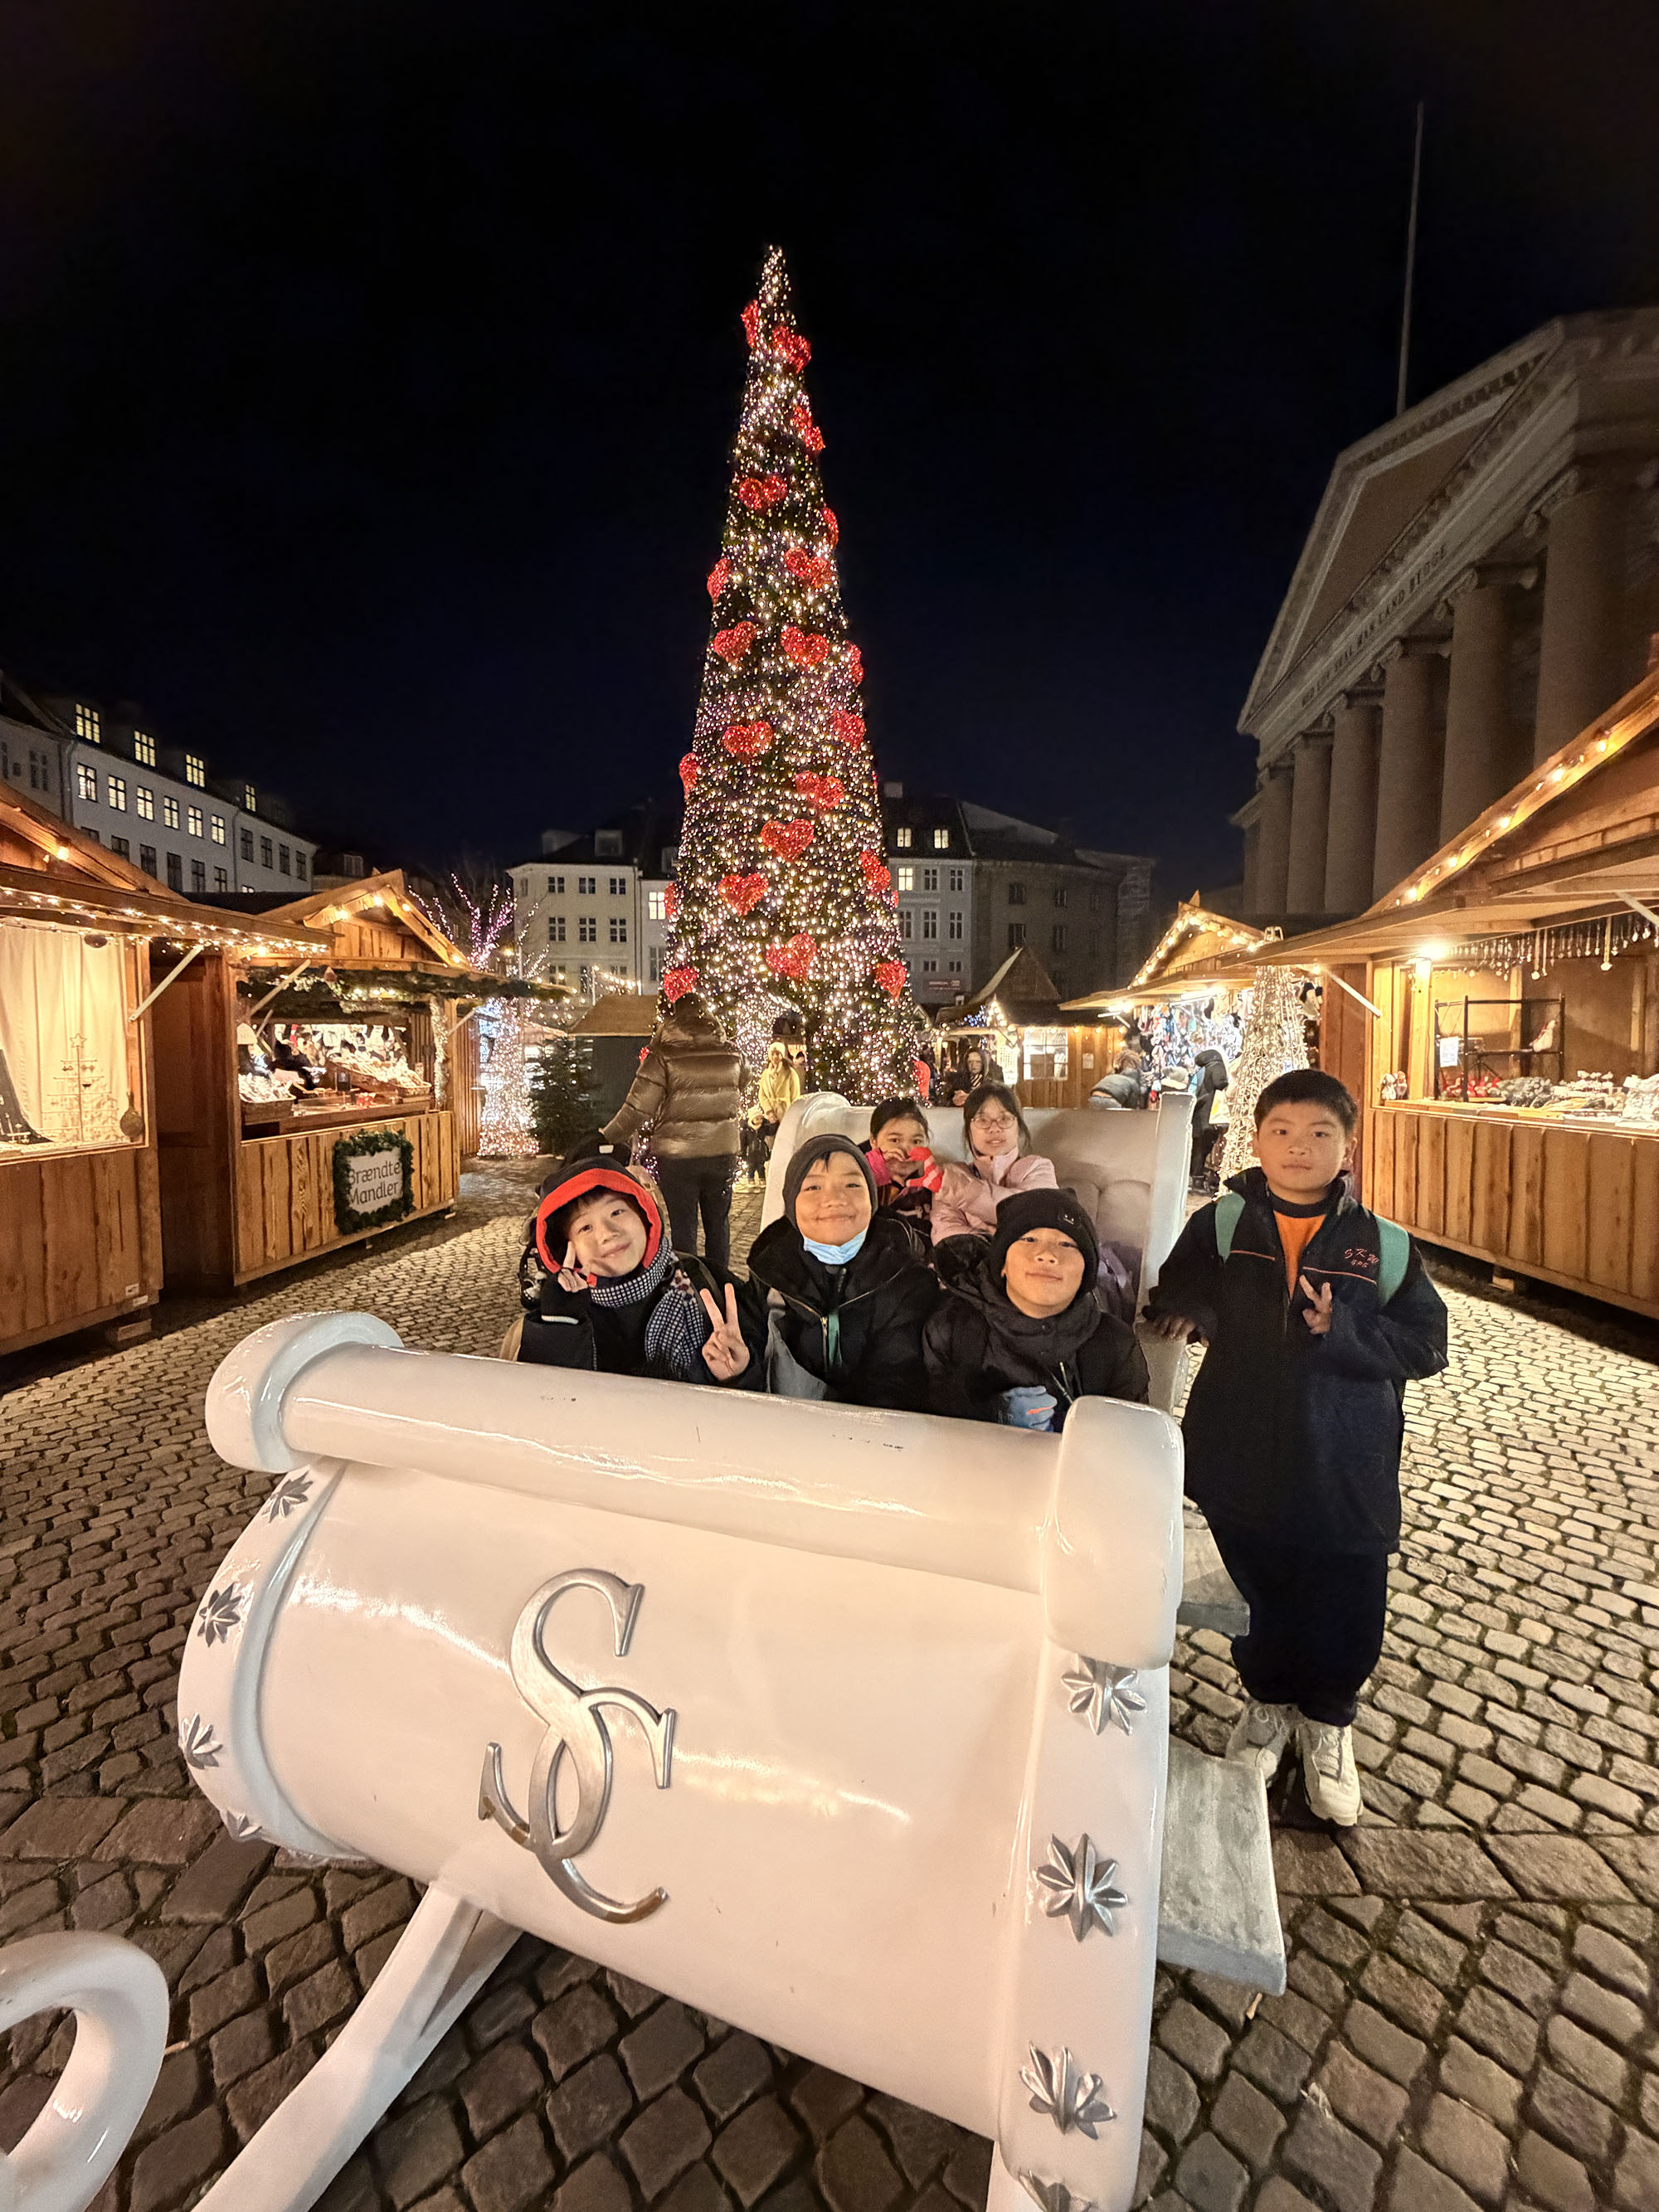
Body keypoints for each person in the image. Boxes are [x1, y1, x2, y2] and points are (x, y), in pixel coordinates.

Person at [1144, 1068, 1448, 1826]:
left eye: (1319, 1133)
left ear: (1349, 1147)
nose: (1298, 1147)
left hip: (1345, 1460)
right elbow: (1178, 1285)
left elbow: (1426, 1342)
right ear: (1256, 1141)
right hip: (1239, 1446)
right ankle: (1267, 1703)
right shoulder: (1222, 1224)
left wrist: (1344, 1330)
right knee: (1257, 1580)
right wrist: (1190, 1311)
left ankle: (1330, 1720)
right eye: (1281, 1131)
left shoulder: (1383, 1245)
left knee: (1346, 1587)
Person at [505, 1159, 752, 1386]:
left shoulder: (709, 1285)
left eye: (617, 1212)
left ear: (645, 1215)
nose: (607, 1233)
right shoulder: (556, 1317)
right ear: (567, 1248)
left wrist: (737, 1375)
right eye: (585, 1227)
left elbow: (763, 1394)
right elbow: (546, 1403)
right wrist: (559, 1328)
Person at [739, 1135, 937, 1410]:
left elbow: (898, 1386)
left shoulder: (908, 1280)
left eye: (852, 1184)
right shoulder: (769, 1274)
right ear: (791, 1203)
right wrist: (739, 1371)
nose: (834, 1199)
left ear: (872, 1198)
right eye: (814, 1187)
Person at [925, 1189, 1149, 1428]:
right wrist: (991, 1414)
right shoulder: (951, 1329)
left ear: (1086, 1271)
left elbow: (1134, 1438)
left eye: (1066, 1244)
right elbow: (926, 1421)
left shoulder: (1115, 1345)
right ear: (1002, 1264)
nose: (1047, 1255)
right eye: (1029, 1240)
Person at [601, 992, 742, 1272]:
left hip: (678, 1157)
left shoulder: (663, 1056)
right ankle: (721, 1282)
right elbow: (743, 1080)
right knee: (718, 1224)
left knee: (683, 1226)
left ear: (675, 1017)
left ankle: (689, 1283)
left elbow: (637, 1109)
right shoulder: (732, 1053)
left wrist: (606, 1137)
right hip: (723, 1152)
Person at [931, 1082, 1058, 1244]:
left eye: (1004, 1119)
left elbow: (1032, 1213)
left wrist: (960, 1189)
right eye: (982, 1120)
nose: (994, 1129)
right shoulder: (953, 1174)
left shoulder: (1038, 1168)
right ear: (969, 1131)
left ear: (1018, 1127)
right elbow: (946, 1237)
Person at [864, 1097, 943, 1229]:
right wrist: (875, 1170)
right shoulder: (854, 1172)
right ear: (873, 1141)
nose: (906, 1151)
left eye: (916, 1141)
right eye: (895, 1140)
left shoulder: (934, 1178)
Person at [744, 1042, 800, 1184]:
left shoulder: (790, 1073)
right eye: (773, 1054)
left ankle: (787, 1173)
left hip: (785, 1112)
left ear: (782, 1055)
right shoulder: (765, 1074)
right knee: (769, 1144)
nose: (775, 1057)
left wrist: (791, 1113)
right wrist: (768, 1111)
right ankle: (772, 1174)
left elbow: (795, 1096)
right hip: (771, 1115)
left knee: (786, 1143)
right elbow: (762, 1095)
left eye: (778, 1054)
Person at [1189, 1047, 1229, 1187]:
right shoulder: (1217, 1066)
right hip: (1210, 1115)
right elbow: (1220, 1083)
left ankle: (1195, 1178)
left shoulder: (1202, 1070)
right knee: (1203, 1148)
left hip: (1199, 1114)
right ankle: (1198, 1179)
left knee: (1198, 1147)